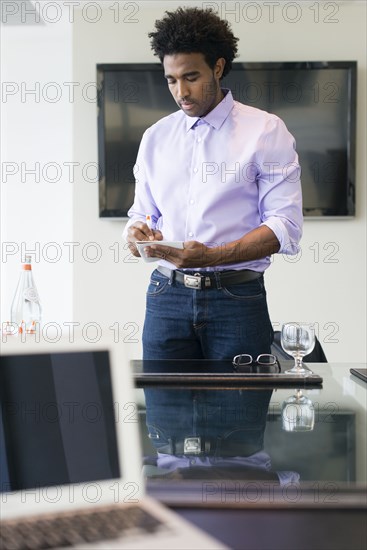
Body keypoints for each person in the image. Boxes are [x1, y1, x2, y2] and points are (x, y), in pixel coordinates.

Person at [123, 7, 303, 361]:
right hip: (165, 298)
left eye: (191, 76)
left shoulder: (265, 131)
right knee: (162, 416)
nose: (181, 92)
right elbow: (143, 213)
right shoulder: (155, 137)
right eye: (171, 80)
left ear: (218, 68)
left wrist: (212, 256)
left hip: (236, 301)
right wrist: (137, 234)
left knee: (240, 414)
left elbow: (285, 226)